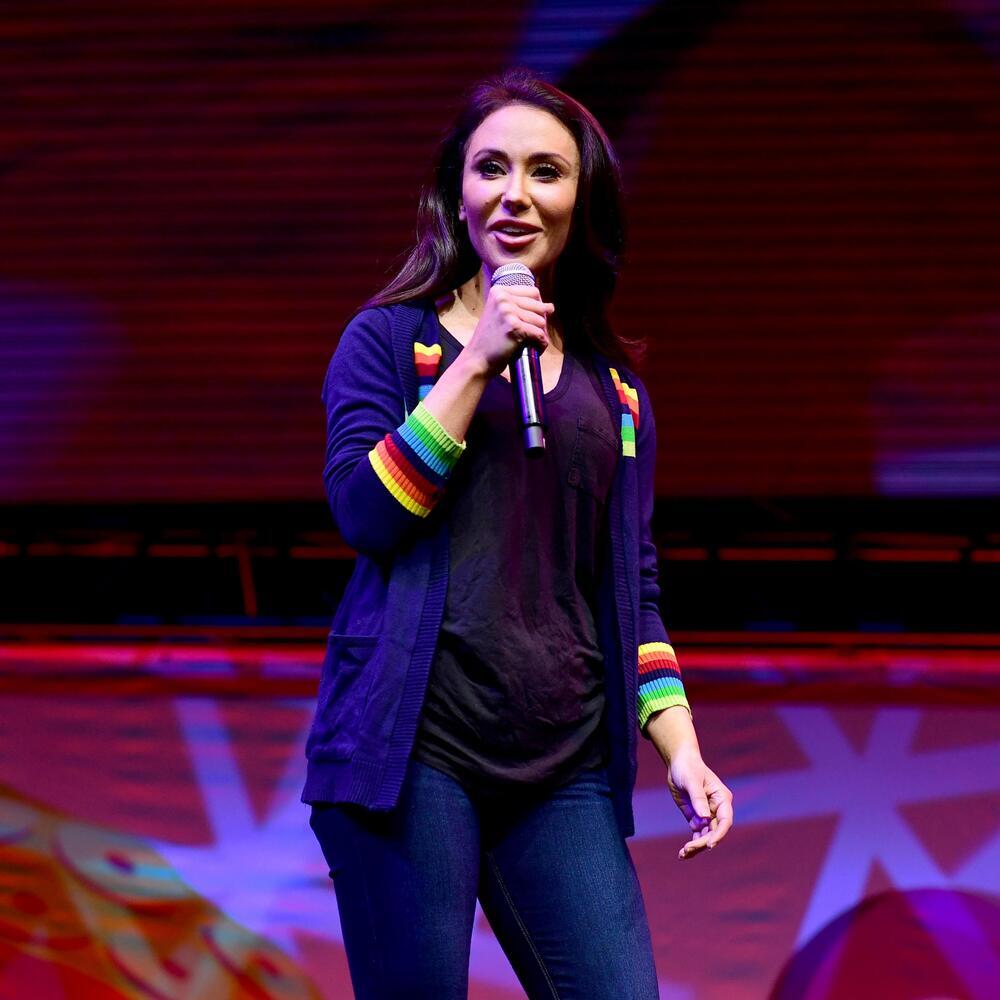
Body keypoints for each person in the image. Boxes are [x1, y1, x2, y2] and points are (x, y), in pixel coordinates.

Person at [303, 67, 734, 999]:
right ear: (457, 192)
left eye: (546, 171)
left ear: (582, 200)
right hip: (413, 751)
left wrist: (682, 746)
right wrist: (475, 363)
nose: (515, 194)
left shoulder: (617, 395)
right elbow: (365, 515)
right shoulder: (388, 343)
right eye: (491, 167)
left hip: (562, 763)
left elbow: (631, 591)